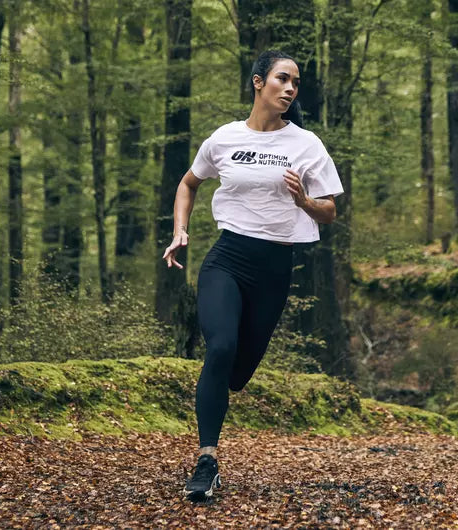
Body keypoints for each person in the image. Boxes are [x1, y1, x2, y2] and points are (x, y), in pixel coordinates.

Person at [161, 50, 343, 502]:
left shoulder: (306, 144)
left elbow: (331, 211)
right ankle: (206, 461)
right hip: (227, 259)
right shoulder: (224, 138)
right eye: (283, 79)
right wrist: (181, 230)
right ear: (258, 82)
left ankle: (216, 401)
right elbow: (188, 183)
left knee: (236, 373)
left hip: (274, 268)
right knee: (219, 347)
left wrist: (304, 201)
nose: (290, 89)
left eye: (296, 83)